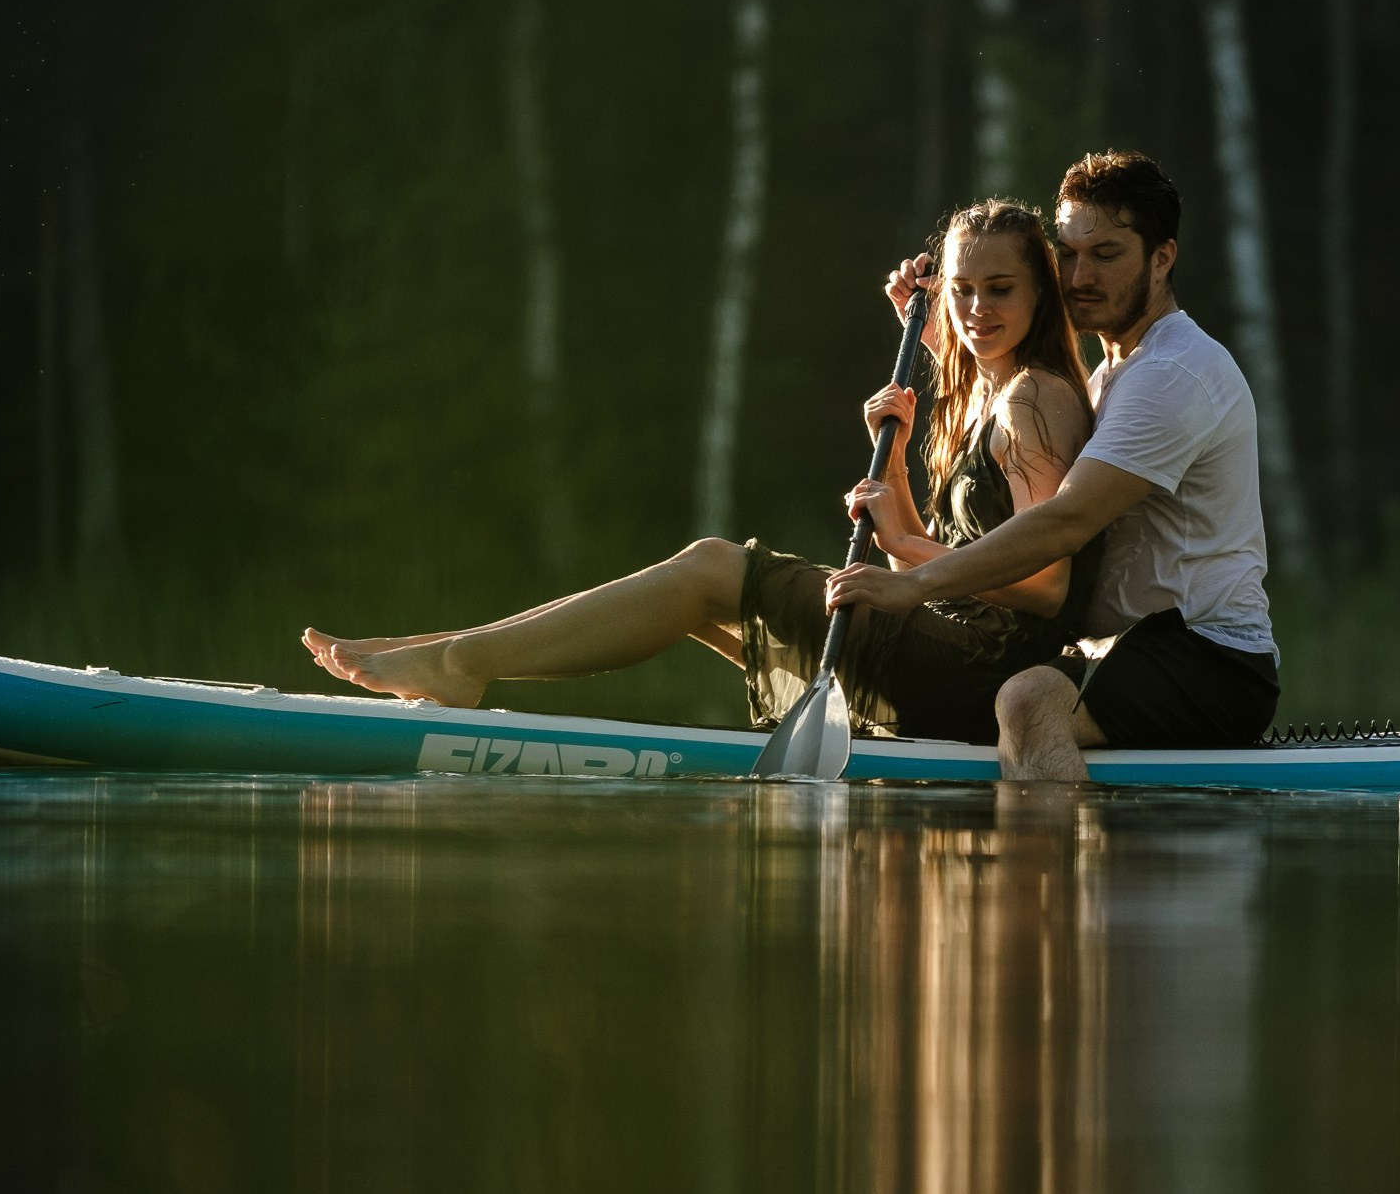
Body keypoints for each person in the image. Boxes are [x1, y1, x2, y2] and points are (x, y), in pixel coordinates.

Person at [299, 198, 1098, 741]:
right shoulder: (990, 391)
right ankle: (451, 651)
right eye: (960, 289)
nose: (976, 309)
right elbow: (909, 558)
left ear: (1041, 297)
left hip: (989, 674)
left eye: (1000, 290)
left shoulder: (1034, 400)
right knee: (697, 596)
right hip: (948, 644)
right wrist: (894, 458)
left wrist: (909, 549)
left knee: (712, 569)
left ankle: (456, 665)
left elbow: (1043, 588)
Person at [825, 147, 1279, 782]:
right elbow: (1007, 390)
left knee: (1026, 698)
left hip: (1210, 657)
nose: (1079, 275)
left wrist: (916, 582)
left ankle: (1055, 878)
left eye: (1106, 254)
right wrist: (943, 325)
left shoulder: (1171, 373)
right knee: (1017, 689)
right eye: (1066, 253)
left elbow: (1066, 522)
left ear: (1162, 258)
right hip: (1118, 653)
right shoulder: (1109, 376)